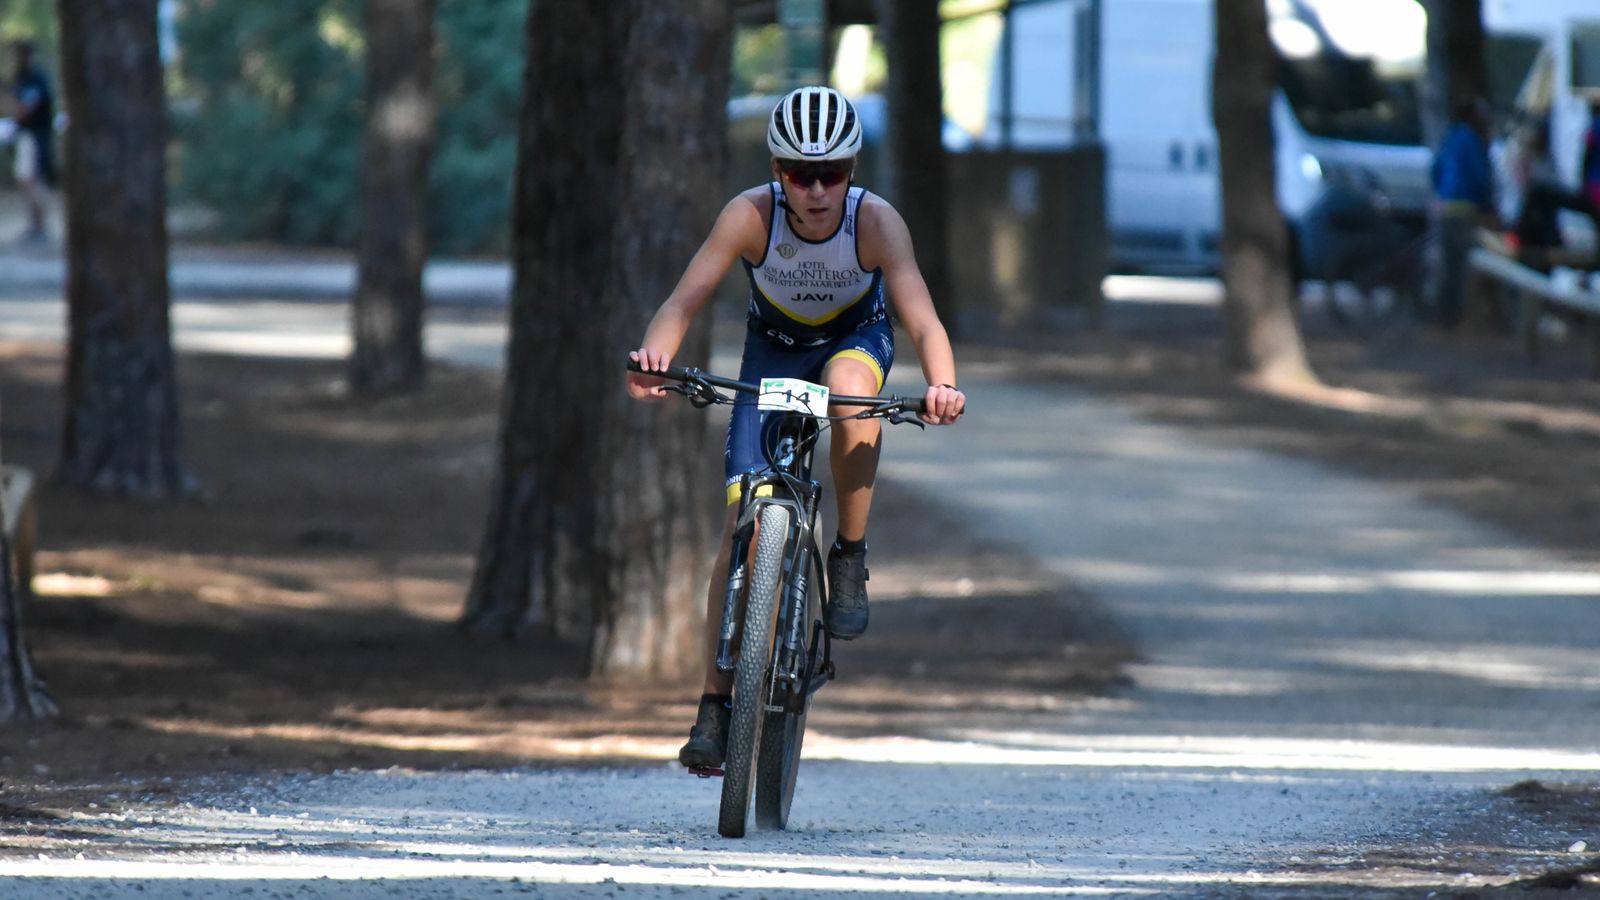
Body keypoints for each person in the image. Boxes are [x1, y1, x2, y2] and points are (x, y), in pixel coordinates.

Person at [625, 85, 966, 769]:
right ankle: (716, 707)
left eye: (831, 174)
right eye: (798, 174)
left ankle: (849, 555)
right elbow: (684, 297)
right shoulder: (750, 216)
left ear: (853, 172)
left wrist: (943, 384)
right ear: (778, 171)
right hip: (773, 353)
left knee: (846, 392)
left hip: (854, 344)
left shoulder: (876, 223)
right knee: (740, 525)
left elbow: (924, 319)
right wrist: (655, 356)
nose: (814, 190)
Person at [1427, 97, 1498, 329]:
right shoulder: (1473, 140)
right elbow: (1480, 177)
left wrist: (1442, 194)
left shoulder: (1451, 136)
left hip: (1446, 206)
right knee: (1465, 266)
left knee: (1448, 265)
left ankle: (1442, 316)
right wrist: (1487, 203)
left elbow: (1436, 169)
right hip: (1466, 209)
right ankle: (1459, 318)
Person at [8, 39, 55, 242]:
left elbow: (25, 110)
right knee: (26, 180)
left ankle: (41, 227)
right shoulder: (21, 78)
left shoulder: (36, 78)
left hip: (36, 136)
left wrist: (12, 108)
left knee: (33, 180)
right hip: (25, 136)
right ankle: (34, 226)